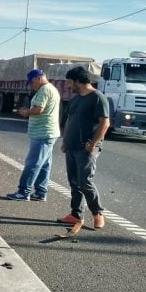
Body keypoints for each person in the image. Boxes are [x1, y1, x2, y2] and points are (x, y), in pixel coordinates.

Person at [57, 66, 110, 230]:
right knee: (74, 182)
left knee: (85, 182)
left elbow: (105, 123)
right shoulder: (76, 98)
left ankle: (97, 213)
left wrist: (93, 144)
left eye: (70, 82)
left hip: (86, 148)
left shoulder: (97, 97)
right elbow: (70, 120)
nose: (68, 85)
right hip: (71, 147)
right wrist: (65, 142)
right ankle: (75, 214)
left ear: (78, 81)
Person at [6, 69, 60, 201]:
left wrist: (26, 112)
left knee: (33, 163)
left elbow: (39, 109)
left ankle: (24, 191)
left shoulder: (44, 90)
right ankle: (41, 192)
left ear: (38, 78)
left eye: (32, 82)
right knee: (44, 164)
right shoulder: (51, 88)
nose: (31, 85)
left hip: (43, 132)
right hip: (48, 132)